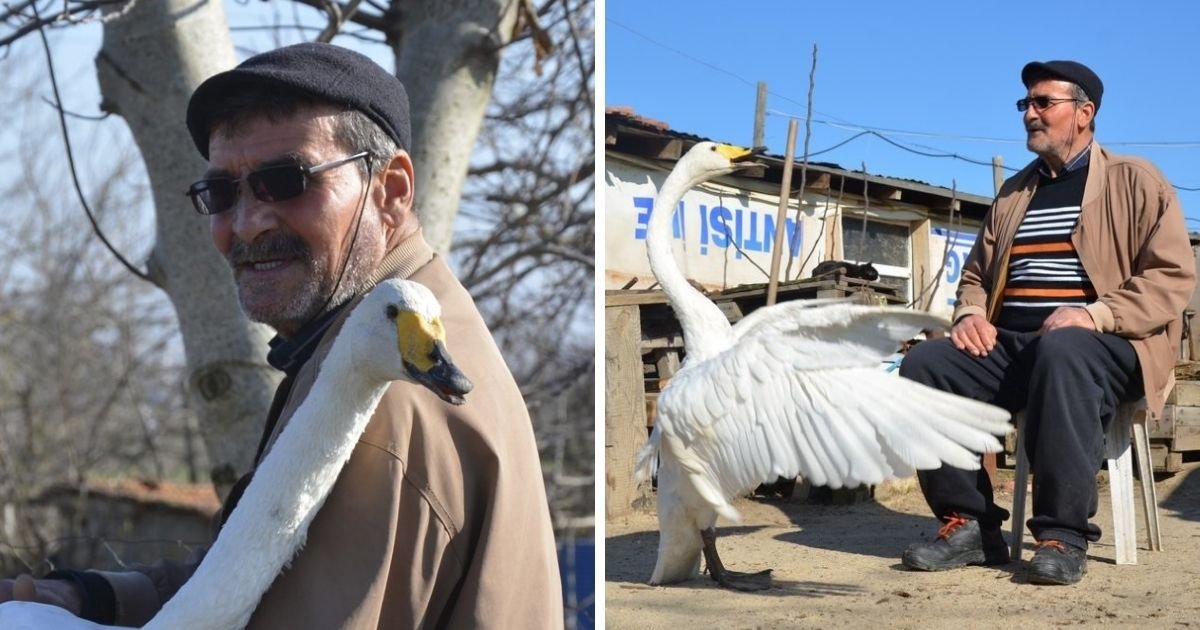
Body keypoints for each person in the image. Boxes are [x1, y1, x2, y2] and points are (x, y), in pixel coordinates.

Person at [0, 42, 564, 626]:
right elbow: (252, 578)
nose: (246, 223)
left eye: (287, 180)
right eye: (221, 193)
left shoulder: (382, 402)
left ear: (391, 191)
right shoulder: (373, 337)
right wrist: (89, 599)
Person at [899, 60, 1195, 585]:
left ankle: (1062, 535)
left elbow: (1171, 277)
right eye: (1026, 104)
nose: (1030, 114)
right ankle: (968, 524)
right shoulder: (1015, 193)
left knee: (1067, 349)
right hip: (1015, 345)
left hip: (1110, 344)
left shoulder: (1135, 180)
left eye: (1043, 103)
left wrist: (1094, 313)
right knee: (927, 362)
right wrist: (969, 313)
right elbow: (975, 275)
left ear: (1084, 113)